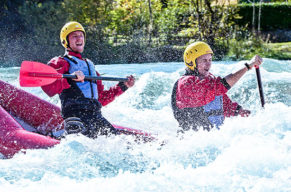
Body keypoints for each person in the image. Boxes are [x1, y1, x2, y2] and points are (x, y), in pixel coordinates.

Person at [41, 21, 135, 138]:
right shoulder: (61, 62)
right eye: (74, 36)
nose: (79, 38)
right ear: (65, 41)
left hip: (95, 117)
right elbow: (48, 86)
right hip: (75, 116)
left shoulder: (91, 69)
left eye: (81, 35)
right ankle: (55, 135)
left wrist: (123, 86)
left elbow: (101, 98)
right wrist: (70, 79)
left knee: (119, 142)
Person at [171, 41, 263, 132]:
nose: (208, 64)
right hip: (191, 140)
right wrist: (248, 66)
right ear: (191, 63)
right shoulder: (186, 84)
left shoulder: (209, 79)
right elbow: (219, 87)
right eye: (204, 60)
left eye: (210, 60)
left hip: (214, 138)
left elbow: (224, 104)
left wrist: (239, 111)